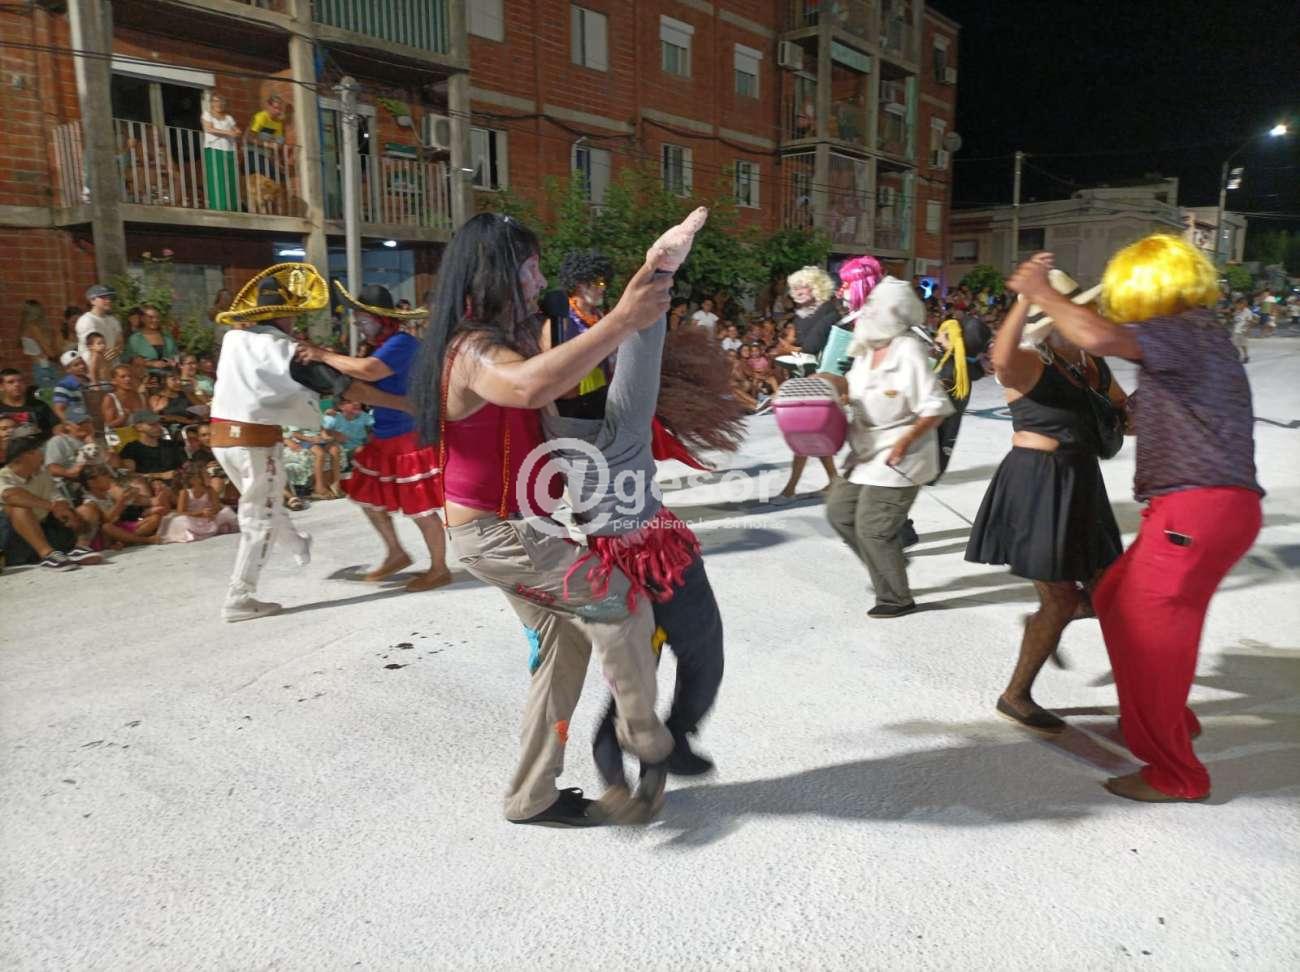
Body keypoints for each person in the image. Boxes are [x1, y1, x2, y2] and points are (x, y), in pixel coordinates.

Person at [407, 212, 679, 827]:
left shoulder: (495, 340)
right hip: (502, 533)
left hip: (513, 530)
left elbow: (557, 381)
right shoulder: (472, 349)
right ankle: (645, 736)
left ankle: (533, 795)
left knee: (565, 646)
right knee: (622, 603)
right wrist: (621, 320)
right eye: (529, 267)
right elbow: (528, 388)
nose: (538, 279)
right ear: (496, 273)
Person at [1007, 237, 1263, 803]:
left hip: (1196, 508)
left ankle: (1177, 774)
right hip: (1205, 509)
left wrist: (1041, 292)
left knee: (1153, 637)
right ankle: (1162, 718)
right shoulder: (1197, 341)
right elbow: (1137, 416)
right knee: (1116, 597)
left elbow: (1098, 337)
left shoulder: (1183, 326)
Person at [540, 210, 733, 808]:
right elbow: (638, 341)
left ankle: (651, 755)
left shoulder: (555, 391)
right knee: (647, 676)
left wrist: (657, 271)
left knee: (664, 668)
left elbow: (638, 340)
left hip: (631, 546)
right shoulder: (546, 393)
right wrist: (657, 271)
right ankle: (629, 770)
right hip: (622, 554)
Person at [965, 269, 1127, 732]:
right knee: (1060, 598)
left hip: (1081, 481)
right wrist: (1025, 298)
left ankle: (1054, 619)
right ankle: (1015, 696)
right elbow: (999, 359)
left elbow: (1123, 411)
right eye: (1074, 310)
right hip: (1037, 485)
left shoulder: (1091, 363)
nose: (1086, 317)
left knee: (1107, 592)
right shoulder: (1030, 361)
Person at [209, 264, 400, 621]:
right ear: (285, 316)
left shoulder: (234, 339)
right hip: (254, 442)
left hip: (221, 438)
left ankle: (297, 544)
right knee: (260, 516)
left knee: (267, 502)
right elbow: (346, 388)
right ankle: (240, 596)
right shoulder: (285, 348)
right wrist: (405, 403)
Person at [299, 284, 448, 591]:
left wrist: (324, 355)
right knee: (365, 495)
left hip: (408, 436)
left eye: (363, 319)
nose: (358, 324)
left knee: (419, 507)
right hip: (386, 434)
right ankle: (396, 552)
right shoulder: (380, 344)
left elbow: (369, 371)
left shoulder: (402, 342)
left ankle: (439, 568)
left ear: (381, 318)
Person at [822, 276, 953, 618]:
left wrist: (906, 440)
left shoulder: (908, 350)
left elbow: (935, 406)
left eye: (876, 307)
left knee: (873, 529)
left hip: (902, 454)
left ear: (896, 314)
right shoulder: (866, 349)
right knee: (839, 512)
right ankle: (887, 562)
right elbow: (852, 390)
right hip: (866, 450)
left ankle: (896, 597)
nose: (868, 312)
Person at [1, 434, 102, 569]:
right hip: (16, 539)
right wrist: (51, 506)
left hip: (45, 527)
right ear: (25, 456)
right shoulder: (3, 476)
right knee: (18, 507)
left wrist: (67, 511)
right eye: (38, 450)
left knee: (88, 509)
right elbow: (10, 496)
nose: (42, 455)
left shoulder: (42, 473)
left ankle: (79, 549)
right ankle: (47, 555)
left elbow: (56, 497)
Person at [159, 461, 238, 542]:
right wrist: (200, 513)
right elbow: (180, 512)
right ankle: (195, 533)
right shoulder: (185, 493)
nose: (210, 477)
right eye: (206, 475)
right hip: (193, 519)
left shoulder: (210, 490)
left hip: (208, 518)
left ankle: (212, 529)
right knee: (182, 519)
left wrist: (212, 512)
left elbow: (217, 507)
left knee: (225, 512)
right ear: (194, 480)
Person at [246, 94, 287, 214]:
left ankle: (265, 202)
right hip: (253, 154)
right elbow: (249, 138)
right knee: (265, 179)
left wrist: (277, 162)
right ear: (268, 106)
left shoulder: (278, 123)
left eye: (279, 108)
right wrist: (267, 144)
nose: (278, 111)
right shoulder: (261, 117)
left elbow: (278, 145)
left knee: (280, 177)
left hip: (266, 156)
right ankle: (258, 204)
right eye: (275, 108)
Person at [201, 93, 241, 211]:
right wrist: (228, 133)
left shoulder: (228, 118)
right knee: (217, 177)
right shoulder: (207, 114)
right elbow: (208, 129)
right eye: (216, 101)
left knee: (230, 177)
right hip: (214, 149)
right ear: (211, 103)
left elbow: (237, 130)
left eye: (221, 101)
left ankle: (231, 206)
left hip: (229, 150)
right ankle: (218, 206)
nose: (219, 104)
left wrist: (237, 132)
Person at [118, 411, 186, 481]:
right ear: (138, 427)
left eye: (159, 423)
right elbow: (128, 474)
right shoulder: (131, 449)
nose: (159, 427)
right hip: (150, 484)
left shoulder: (171, 444)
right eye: (152, 424)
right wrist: (160, 475)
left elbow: (185, 465)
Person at [74, 284, 123, 362]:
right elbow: (94, 347)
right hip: (93, 365)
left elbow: (120, 341)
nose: (109, 300)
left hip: (112, 365)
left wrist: (117, 350)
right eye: (103, 297)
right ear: (92, 300)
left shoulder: (113, 320)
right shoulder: (86, 320)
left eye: (110, 298)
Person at [0, 368, 55, 435]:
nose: (17, 384)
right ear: (1, 387)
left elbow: (56, 425)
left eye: (20, 381)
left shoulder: (39, 405)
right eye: (10, 382)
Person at [322, 399, 373, 468]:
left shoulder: (364, 416)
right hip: (343, 452)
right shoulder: (334, 418)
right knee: (362, 450)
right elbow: (323, 431)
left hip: (360, 449)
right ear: (341, 407)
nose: (356, 403)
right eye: (350, 402)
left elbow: (375, 429)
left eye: (357, 400)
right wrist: (333, 435)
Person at [101, 364, 147, 436]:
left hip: (140, 434)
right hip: (119, 436)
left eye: (130, 376)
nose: (128, 379)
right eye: (123, 377)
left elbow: (149, 419)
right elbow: (109, 425)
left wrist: (155, 411)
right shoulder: (110, 399)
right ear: (114, 381)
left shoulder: (141, 396)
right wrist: (123, 418)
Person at [51, 351, 91, 422]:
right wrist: (69, 423)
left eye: (82, 363)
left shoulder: (89, 381)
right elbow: (58, 410)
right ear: (68, 369)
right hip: (79, 423)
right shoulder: (64, 385)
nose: (82, 366)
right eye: (76, 365)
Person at [1230, 296, 1253, 363]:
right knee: (1235, 344)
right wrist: (1233, 329)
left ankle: (1246, 356)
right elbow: (1235, 321)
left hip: (1243, 331)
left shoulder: (1248, 311)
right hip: (1236, 330)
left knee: (1243, 344)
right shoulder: (1236, 311)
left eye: (1244, 304)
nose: (1237, 306)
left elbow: (1249, 321)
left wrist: (1248, 330)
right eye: (1237, 305)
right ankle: (1238, 355)